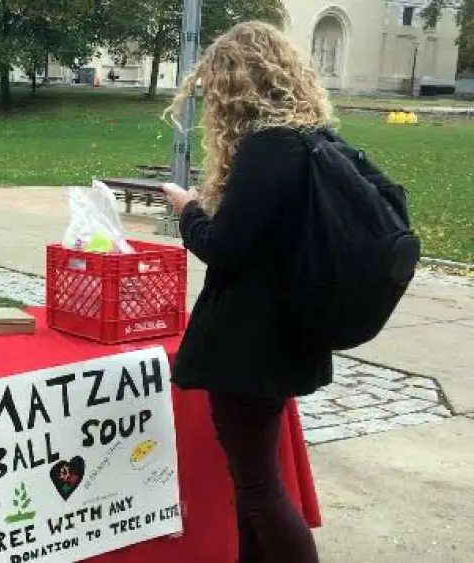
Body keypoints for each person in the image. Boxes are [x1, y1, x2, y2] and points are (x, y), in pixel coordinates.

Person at [160, 21, 331, 563]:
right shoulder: (314, 139)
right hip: (288, 333)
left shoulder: (268, 149)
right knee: (254, 485)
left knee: (259, 488)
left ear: (237, 85)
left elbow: (224, 247)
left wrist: (188, 211)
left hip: (249, 345)